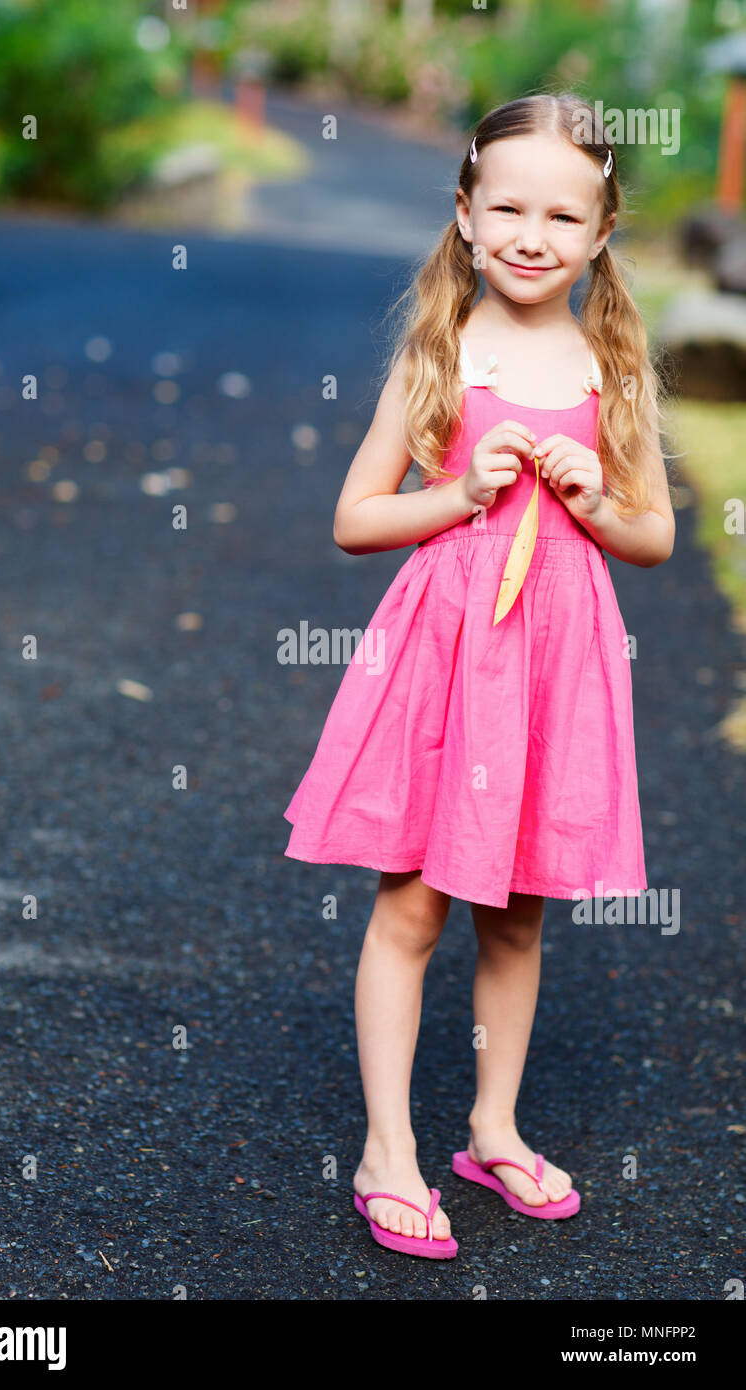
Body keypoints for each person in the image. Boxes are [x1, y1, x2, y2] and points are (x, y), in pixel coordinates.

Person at [283, 93, 675, 1259]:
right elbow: (355, 517)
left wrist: (593, 500)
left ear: (601, 234)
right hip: (448, 658)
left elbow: (653, 533)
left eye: (564, 213)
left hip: (555, 662)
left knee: (518, 911)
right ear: (463, 213)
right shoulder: (438, 350)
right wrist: (461, 493)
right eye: (505, 204)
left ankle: (491, 1128)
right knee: (413, 903)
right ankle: (386, 1151)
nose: (530, 232)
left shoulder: (613, 361)